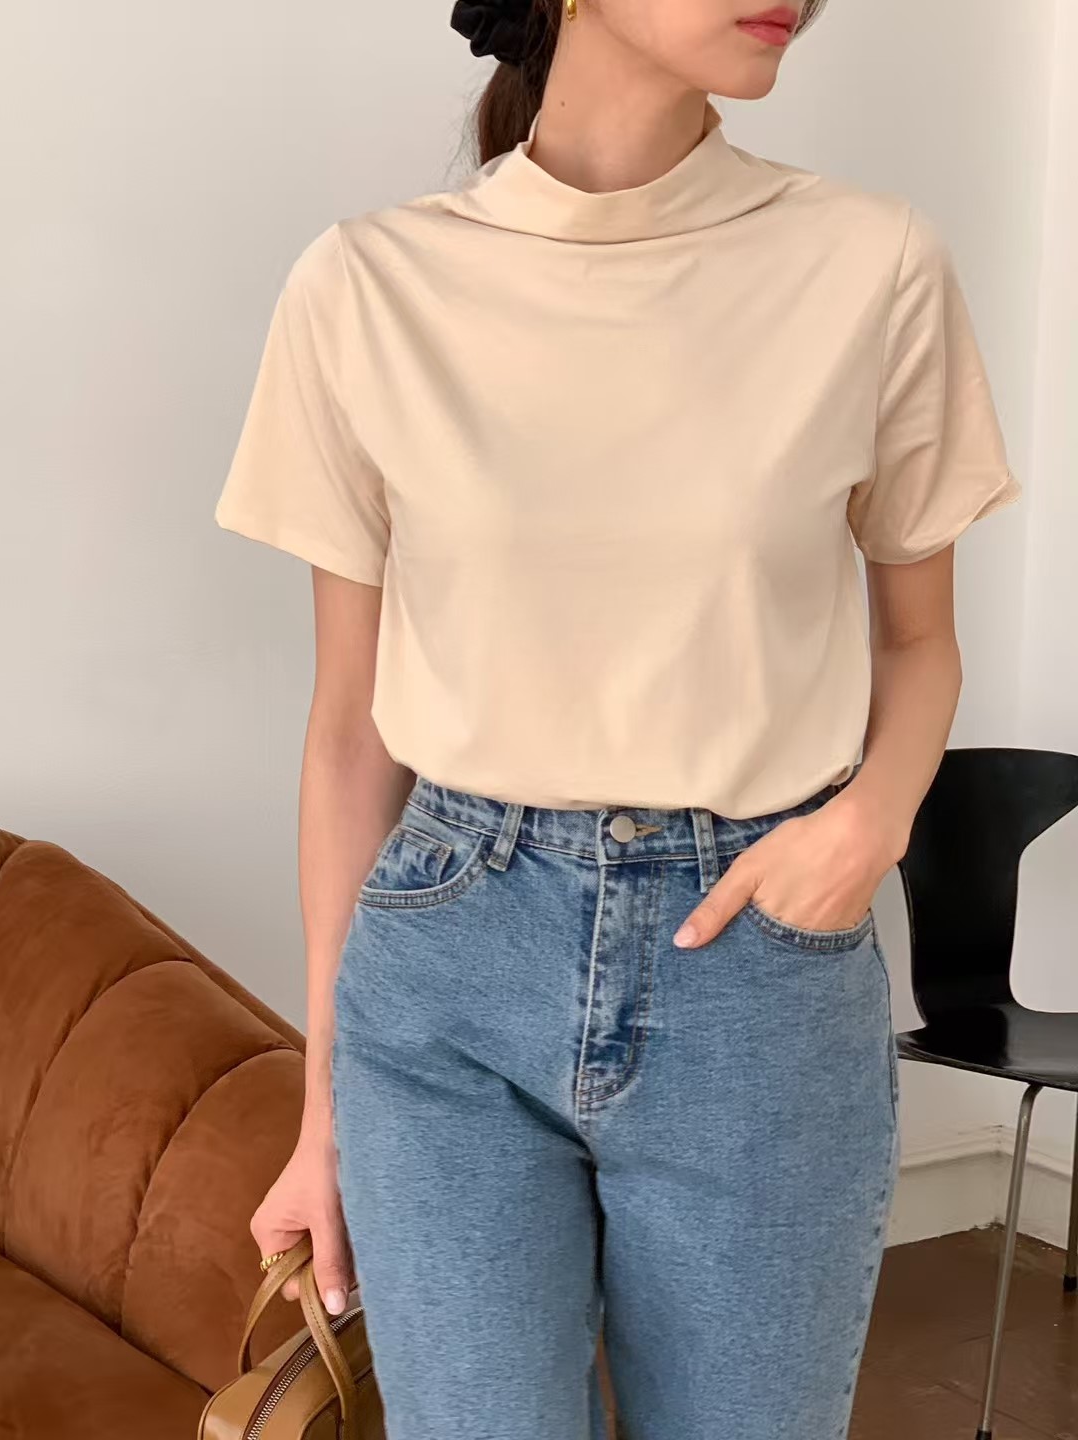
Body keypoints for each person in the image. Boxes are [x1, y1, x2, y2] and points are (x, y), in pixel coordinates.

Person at [214, 1, 1022, 1435]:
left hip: (756, 963)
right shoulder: (367, 285)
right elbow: (350, 731)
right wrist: (321, 1115)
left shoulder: (870, 263)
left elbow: (921, 639)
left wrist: (868, 826)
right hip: (449, 965)